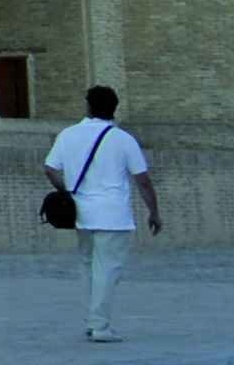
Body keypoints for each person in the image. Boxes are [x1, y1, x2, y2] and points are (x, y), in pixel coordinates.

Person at [43, 85, 159, 342]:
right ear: (114, 109)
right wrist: (154, 212)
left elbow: (50, 168)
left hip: (81, 214)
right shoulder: (123, 139)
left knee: (88, 267)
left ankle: (92, 319)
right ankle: (100, 326)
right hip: (113, 215)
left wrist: (66, 191)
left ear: (88, 106)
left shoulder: (69, 134)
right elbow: (143, 181)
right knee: (107, 269)